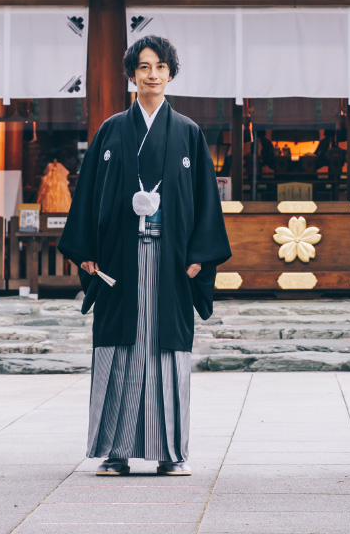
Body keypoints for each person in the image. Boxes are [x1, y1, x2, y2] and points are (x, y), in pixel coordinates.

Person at [58, 34, 231, 477]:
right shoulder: (112, 131)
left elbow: (204, 200)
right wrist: (87, 251)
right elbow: (89, 193)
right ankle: (116, 450)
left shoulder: (189, 133)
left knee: (166, 349)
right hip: (119, 258)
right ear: (131, 75)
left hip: (171, 260)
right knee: (119, 347)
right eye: (143, 67)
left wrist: (200, 254)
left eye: (159, 67)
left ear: (171, 73)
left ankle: (171, 451)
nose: (152, 75)